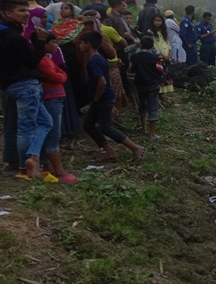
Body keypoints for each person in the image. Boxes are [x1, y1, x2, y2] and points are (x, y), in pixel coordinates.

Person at [0, 0, 53, 179]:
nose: (26, 14)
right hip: (26, 86)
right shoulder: (13, 37)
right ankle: (26, 166)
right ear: (6, 13)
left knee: (46, 122)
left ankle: (29, 159)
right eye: (21, 10)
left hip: (10, 86)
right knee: (26, 128)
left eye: (27, 10)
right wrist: (39, 42)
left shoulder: (7, 34)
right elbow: (32, 61)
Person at [79, 32, 145, 162]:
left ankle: (136, 148)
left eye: (81, 43)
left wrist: (95, 99)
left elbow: (102, 82)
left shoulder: (93, 61)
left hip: (102, 98)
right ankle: (110, 151)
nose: (79, 46)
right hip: (104, 97)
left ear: (88, 44)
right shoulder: (100, 58)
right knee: (88, 125)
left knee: (105, 127)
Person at [38, 33, 78, 183]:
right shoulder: (42, 61)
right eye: (54, 42)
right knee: (53, 133)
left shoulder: (48, 59)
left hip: (56, 98)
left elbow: (62, 74)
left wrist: (59, 75)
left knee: (54, 132)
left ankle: (49, 166)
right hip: (51, 99)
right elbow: (59, 77)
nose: (57, 46)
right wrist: (59, 75)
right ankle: (58, 170)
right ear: (45, 44)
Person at [50, 2, 84, 126]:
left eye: (66, 8)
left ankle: (76, 107)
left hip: (72, 54)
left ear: (72, 11)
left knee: (74, 81)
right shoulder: (56, 24)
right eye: (61, 8)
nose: (63, 10)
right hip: (58, 53)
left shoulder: (77, 25)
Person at [129, 36, 163, 142]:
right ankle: (152, 134)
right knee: (153, 107)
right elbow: (160, 71)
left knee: (142, 105)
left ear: (141, 45)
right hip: (152, 84)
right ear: (152, 46)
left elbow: (131, 70)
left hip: (140, 84)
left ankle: (143, 128)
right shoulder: (156, 58)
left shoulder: (135, 57)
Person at [148, 14, 174, 101]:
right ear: (152, 21)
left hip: (167, 56)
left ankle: (163, 94)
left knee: (166, 75)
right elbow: (153, 45)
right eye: (156, 20)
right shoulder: (150, 32)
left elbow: (167, 43)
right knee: (159, 75)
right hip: (158, 58)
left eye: (159, 21)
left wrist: (169, 53)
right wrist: (161, 55)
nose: (158, 22)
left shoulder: (163, 31)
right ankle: (158, 94)